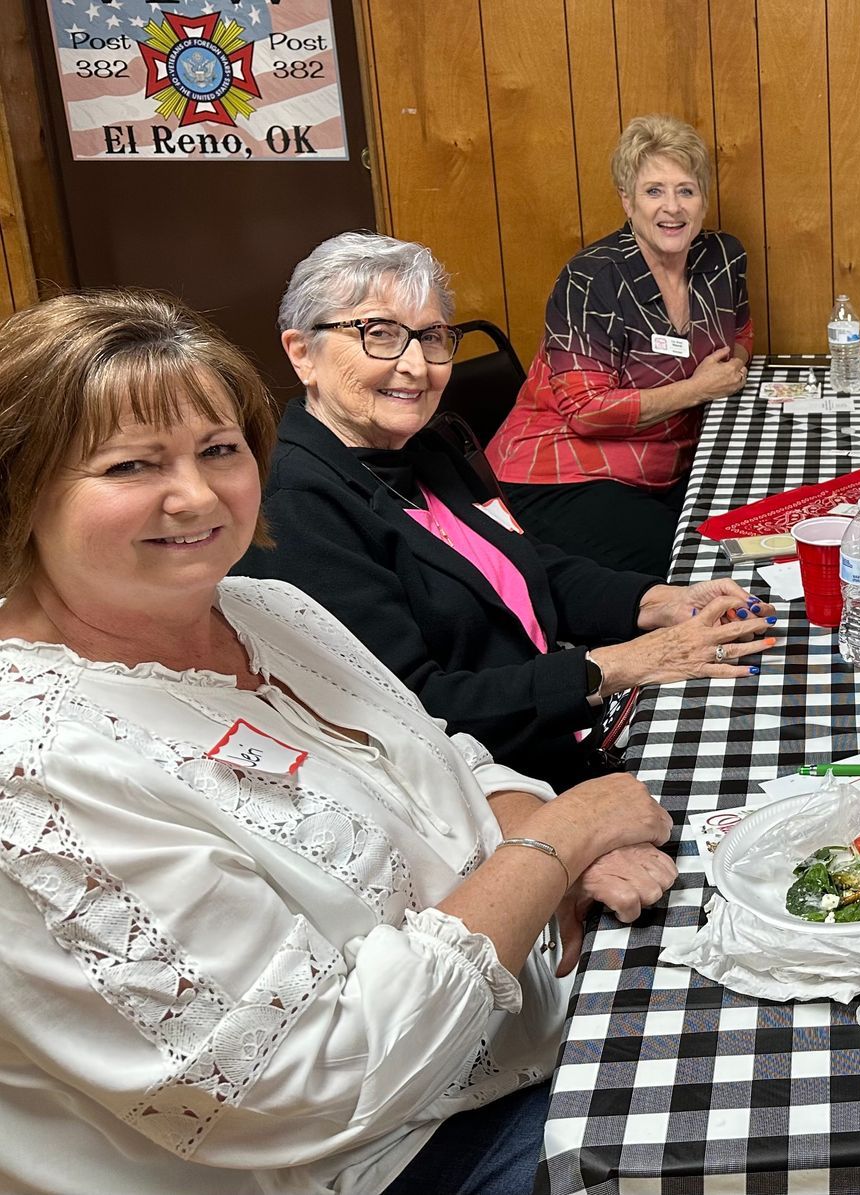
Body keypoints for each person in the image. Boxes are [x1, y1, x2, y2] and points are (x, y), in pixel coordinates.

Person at [0, 289, 685, 1195]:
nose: (196, 495)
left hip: (527, 1022)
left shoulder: (264, 607)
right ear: (20, 488)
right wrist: (558, 841)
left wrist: (541, 835)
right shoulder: (37, 771)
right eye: (131, 465)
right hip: (390, 1158)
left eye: (219, 450)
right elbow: (312, 1079)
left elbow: (439, 753)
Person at [237, 233, 775, 791]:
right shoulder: (294, 509)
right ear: (302, 352)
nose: (416, 365)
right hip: (496, 790)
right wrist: (622, 664)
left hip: (564, 728)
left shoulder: (418, 446)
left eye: (431, 337)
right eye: (380, 334)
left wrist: (655, 602)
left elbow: (523, 564)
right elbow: (413, 712)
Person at [487, 113, 752, 575]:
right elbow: (587, 411)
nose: (672, 208)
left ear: (704, 200)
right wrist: (700, 388)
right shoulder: (593, 278)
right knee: (696, 567)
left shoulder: (722, 258)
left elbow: (741, 333)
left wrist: (734, 365)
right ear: (627, 201)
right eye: (654, 191)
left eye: (685, 190)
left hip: (662, 467)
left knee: (753, 529)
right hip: (559, 474)